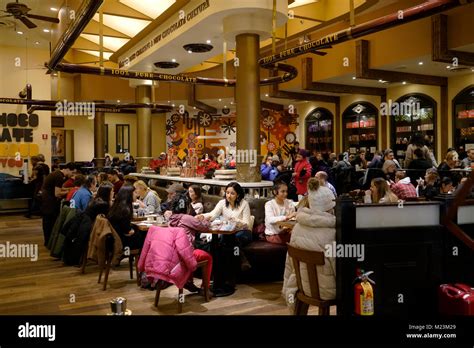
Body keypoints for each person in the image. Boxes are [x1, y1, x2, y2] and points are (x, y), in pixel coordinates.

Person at [282, 177, 337, 310]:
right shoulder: (332, 233)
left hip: (302, 286)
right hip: (328, 291)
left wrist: (286, 288)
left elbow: (289, 264)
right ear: (330, 208)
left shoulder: (298, 227)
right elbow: (339, 269)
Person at [164, 194, 213, 295]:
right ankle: (205, 288)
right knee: (207, 257)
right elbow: (205, 227)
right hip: (185, 256)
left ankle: (189, 281)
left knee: (190, 250)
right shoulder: (187, 218)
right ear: (186, 206)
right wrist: (206, 220)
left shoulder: (171, 218)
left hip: (173, 255)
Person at [196, 182, 252, 271]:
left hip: (244, 231)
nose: (229, 196)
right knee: (226, 239)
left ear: (238, 195)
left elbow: (247, 224)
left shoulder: (244, 204)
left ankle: (230, 266)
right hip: (228, 232)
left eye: (232, 193)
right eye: (227, 192)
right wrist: (203, 216)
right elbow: (213, 214)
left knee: (231, 238)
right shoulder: (222, 203)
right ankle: (239, 262)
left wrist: (235, 220)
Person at [41, 162, 76, 246]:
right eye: (72, 172)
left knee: (47, 222)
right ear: (67, 169)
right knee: (50, 223)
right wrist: (70, 191)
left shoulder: (57, 174)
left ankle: (48, 241)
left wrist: (70, 189)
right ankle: (49, 242)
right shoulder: (59, 176)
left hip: (46, 201)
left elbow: (60, 188)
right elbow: (57, 193)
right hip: (49, 202)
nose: (72, 175)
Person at [107, 185, 143, 250]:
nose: (137, 195)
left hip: (112, 238)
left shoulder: (117, 205)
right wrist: (133, 230)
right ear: (129, 195)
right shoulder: (125, 209)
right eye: (135, 193)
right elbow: (127, 232)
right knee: (144, 237)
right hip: (120, 241)